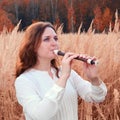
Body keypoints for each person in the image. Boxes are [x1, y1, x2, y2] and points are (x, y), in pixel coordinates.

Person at [15, 21, 107, 120]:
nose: (54, 43)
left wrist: (94, 79)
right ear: (32, 46)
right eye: (46, 39)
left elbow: (98, 97)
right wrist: (63, 78)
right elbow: (40, 115)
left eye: (55, 38)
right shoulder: (24, 81)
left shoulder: (68, 73)